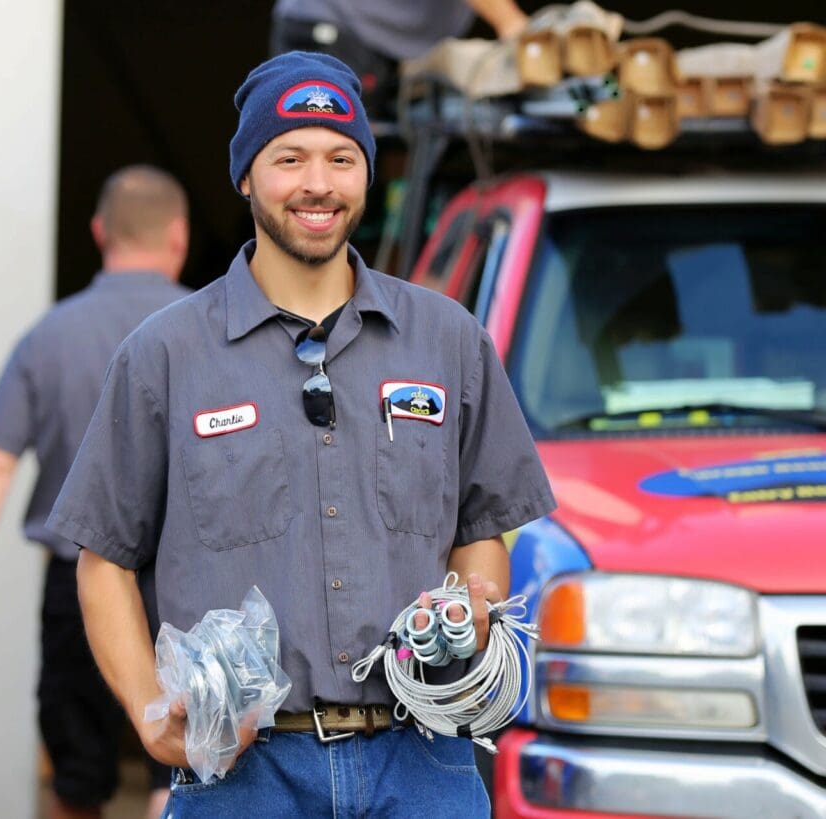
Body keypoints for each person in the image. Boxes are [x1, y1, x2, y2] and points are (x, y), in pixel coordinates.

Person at [48, 52, 555, 818]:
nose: (318, 183)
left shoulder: (449, 341)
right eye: (290, 157)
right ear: (247, 177)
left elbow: (485, 526)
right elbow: (102, 559)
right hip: (245, 777)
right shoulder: (165, 355)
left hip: (422, 765)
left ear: (365, 174)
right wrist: (151, 715)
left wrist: (470, 606)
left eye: (340, 158)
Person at [0, 165, 191, 819]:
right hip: (192, 582)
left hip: (80, 588)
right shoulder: (210, 330)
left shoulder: (49, 335)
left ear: (100, 232)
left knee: (78, 777)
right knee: (186, 765)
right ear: (179, 236)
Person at [270, 0, 529, 117]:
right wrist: (511, 23)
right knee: (325, 150)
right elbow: (512, 25)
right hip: (332, 23)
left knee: (362, 155)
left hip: (384, 41)